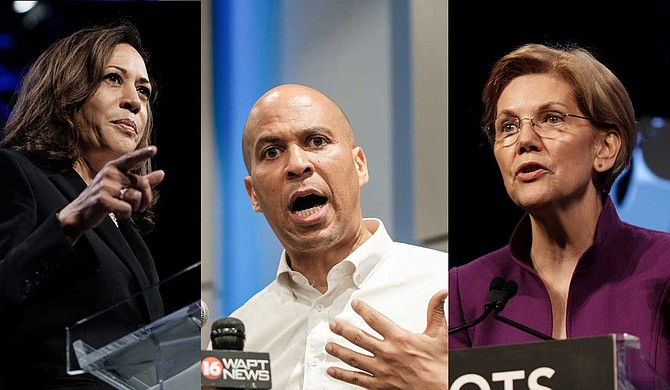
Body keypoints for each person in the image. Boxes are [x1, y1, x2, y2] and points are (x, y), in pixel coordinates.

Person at [449, 43, 670, 384]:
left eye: (551, 119)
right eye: (507, 127)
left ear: (605, 148)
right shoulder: (465, 291)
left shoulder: (664, 266)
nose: (525, 140)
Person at [224, 83, 448, 389]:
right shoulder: (241, 338)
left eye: (316, 141)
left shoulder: (447, 286)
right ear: (254, 195)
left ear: (359, 165)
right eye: (272, 152)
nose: (297, 164)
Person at [0, 21, 166, 388]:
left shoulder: (127, 230)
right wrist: (71, 221)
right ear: (66, 92)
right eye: (112, 78)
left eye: (144, 89)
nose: (134, 101)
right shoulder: (16, 173)